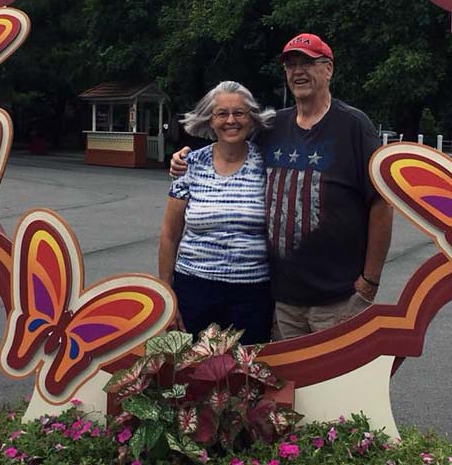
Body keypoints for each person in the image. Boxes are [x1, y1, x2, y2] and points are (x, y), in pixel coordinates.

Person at [170, 33, 393, 340]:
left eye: (307, 63)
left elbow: (381, 203)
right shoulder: (273, 128)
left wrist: (369, 281)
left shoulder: (354, 126)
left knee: (335, 385)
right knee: (287, 384)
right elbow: (231, 150)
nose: (298, 71)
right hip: (282, 299)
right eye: (291, 65)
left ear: (328, 69)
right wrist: (184, 160)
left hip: (338, 298)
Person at [159, 80, 275, 344]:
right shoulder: (189, 165)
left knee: (245, 376)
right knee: (193, 373)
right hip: (195, 290)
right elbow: (169, 234)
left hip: (252, 295)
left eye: (239, 113)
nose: (230, 120)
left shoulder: (268, 164)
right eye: (222, 113)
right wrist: (167, 295)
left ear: (252, 119)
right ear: (210, 120)